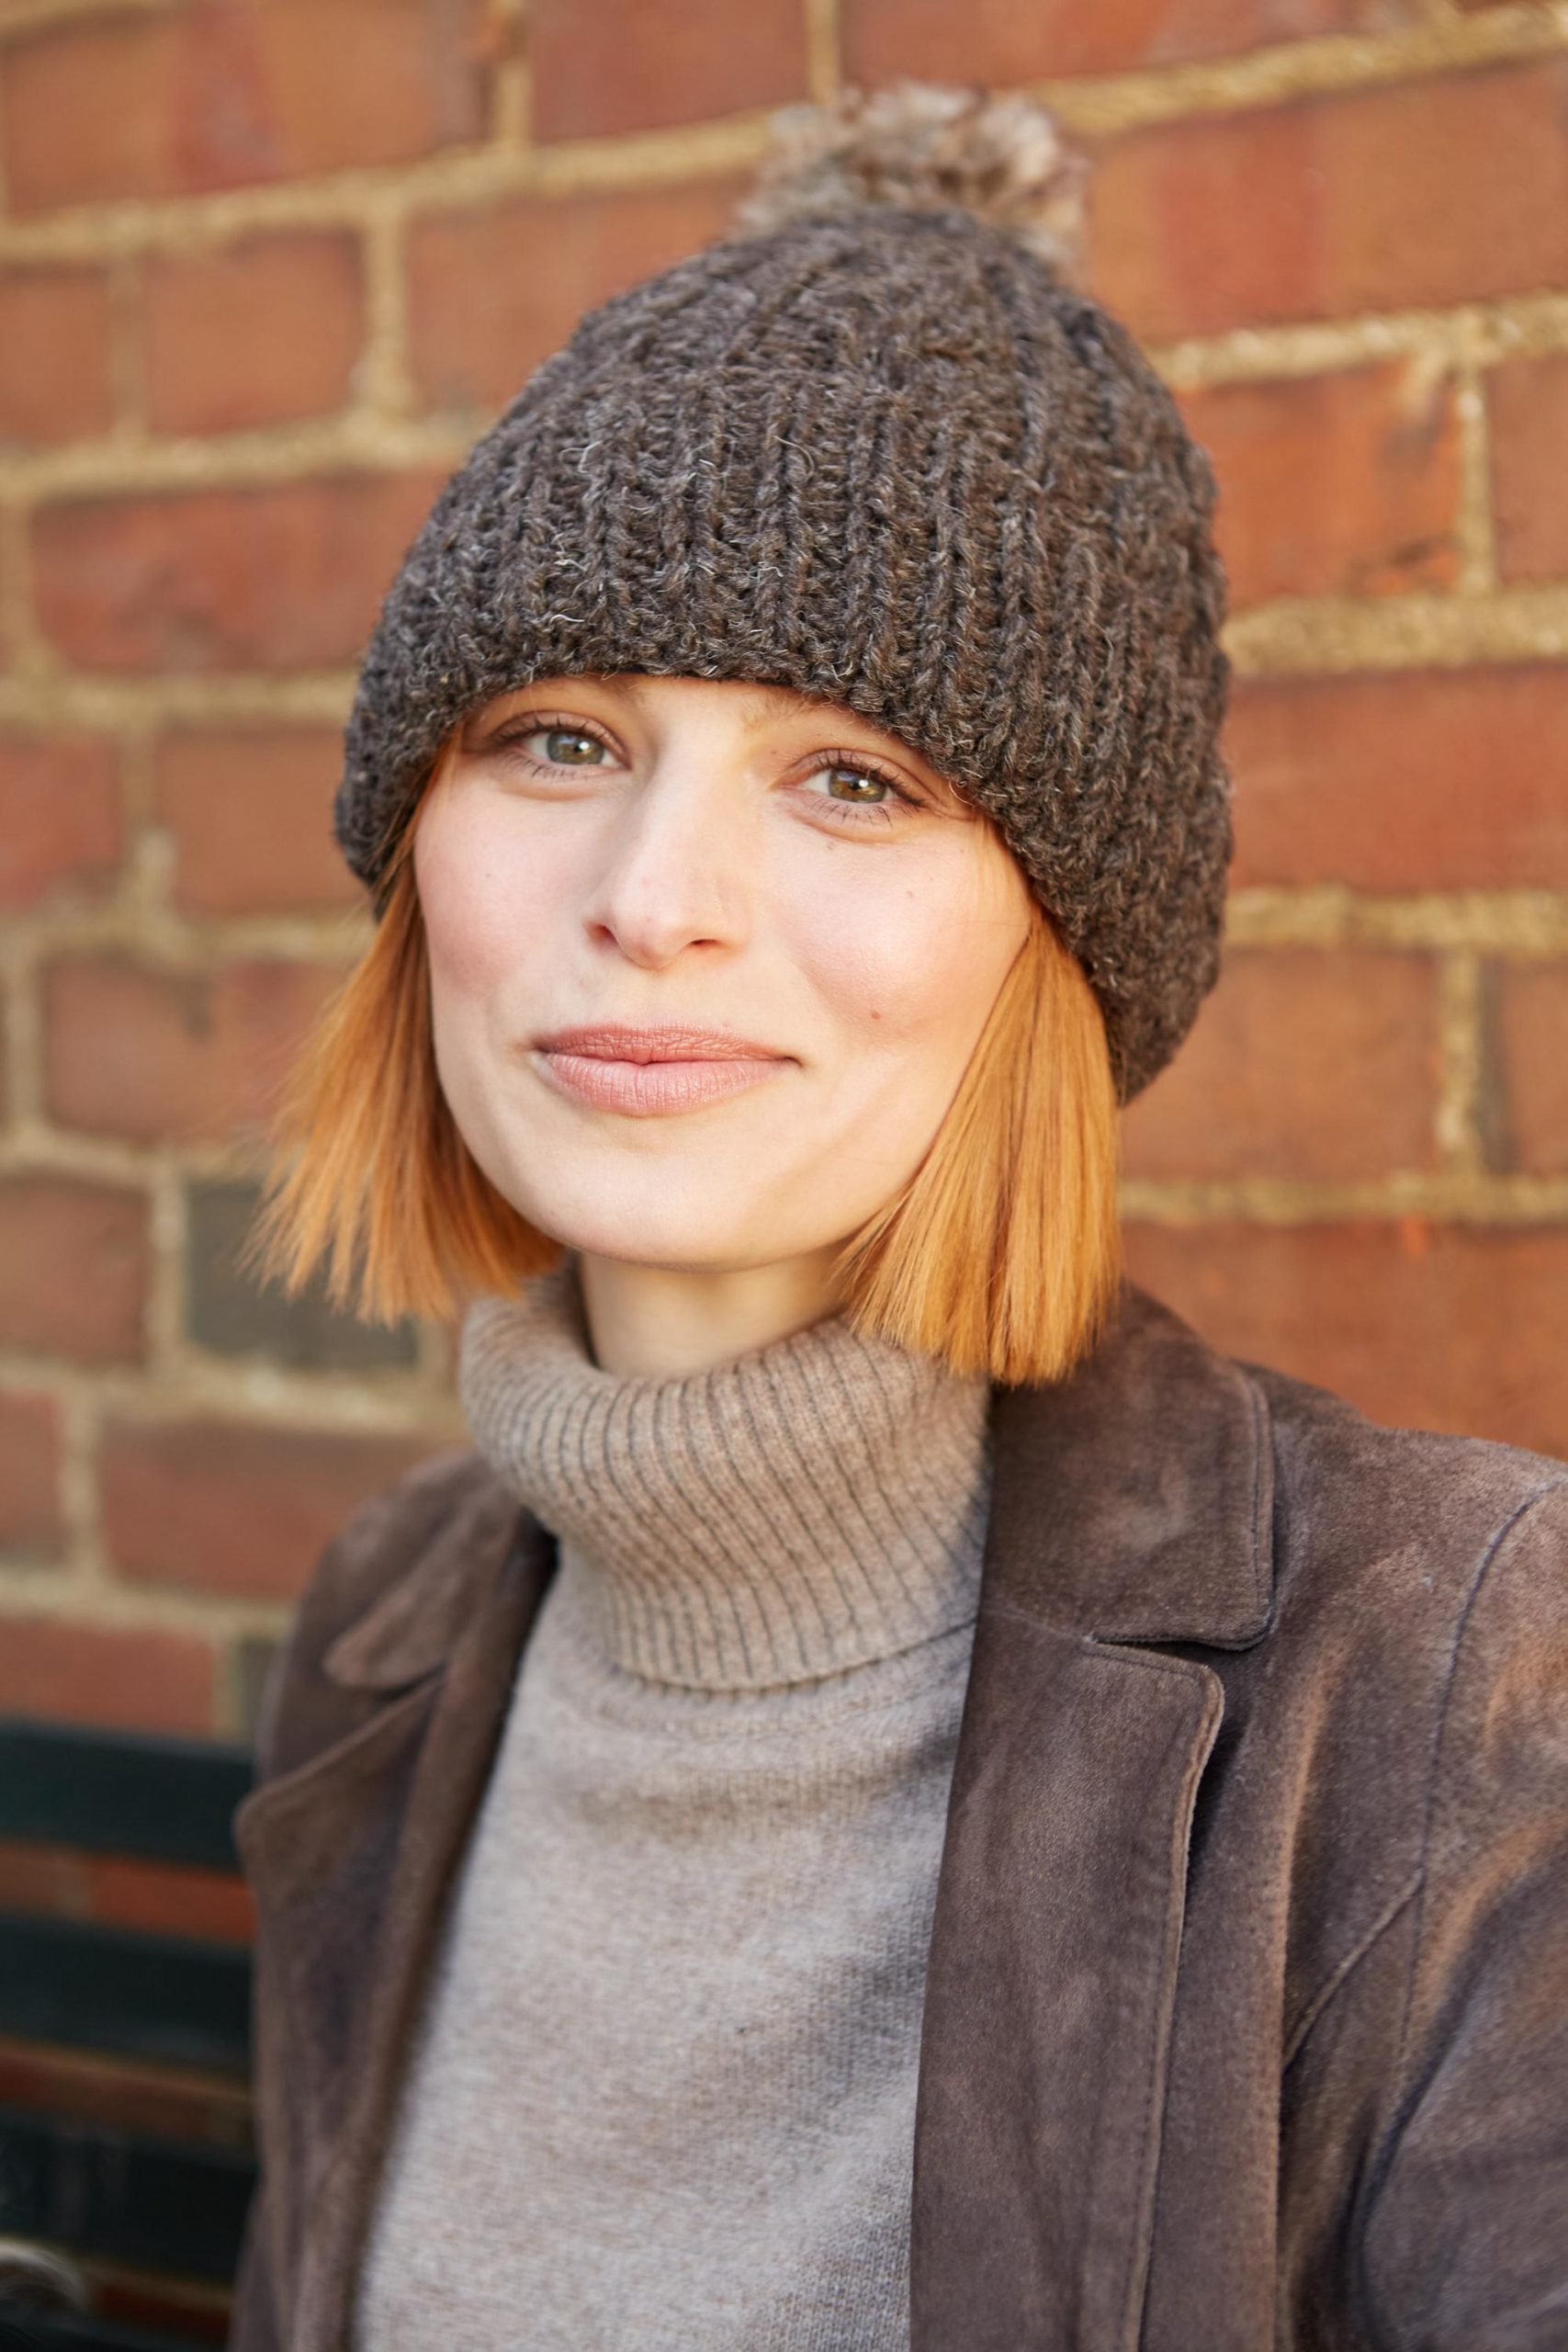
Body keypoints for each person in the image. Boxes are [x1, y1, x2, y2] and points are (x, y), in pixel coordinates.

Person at [227, 83, 1568, 2352]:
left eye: (853, 778)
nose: (653, 902)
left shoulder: (1446, 1680)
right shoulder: (385, 1632)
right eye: (556, 734)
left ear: (1054, 943)